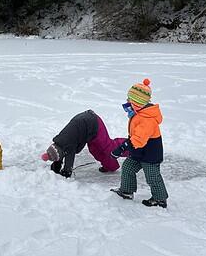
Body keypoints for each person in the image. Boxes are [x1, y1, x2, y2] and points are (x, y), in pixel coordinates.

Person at [111, 79, 168, 208]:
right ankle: (126, 191)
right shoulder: (139, 114)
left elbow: (138, 140)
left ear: (136, 102)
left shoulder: (146, 120)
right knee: (127, 168)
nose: (127, 101)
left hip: (150, 154)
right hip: (138, 152)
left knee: (152, 177)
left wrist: (121, 149)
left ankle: (160, 199)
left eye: (129, 99)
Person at [41, 110, 128, 177]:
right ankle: (110, 166)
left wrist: (66, 172)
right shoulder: (59, 141)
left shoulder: (68, 144)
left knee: (108, 147)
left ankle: (133, 146)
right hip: (86, 127)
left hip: (94, 122)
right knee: (95, 150)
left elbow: (69, 157)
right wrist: (57, 163)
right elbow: (59, 151)